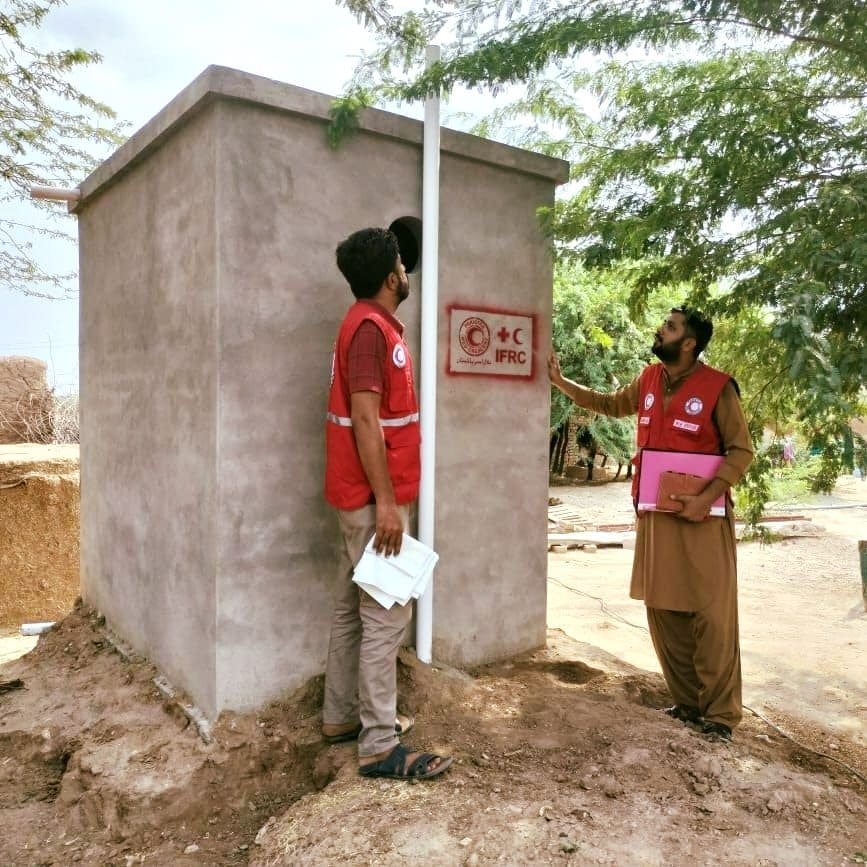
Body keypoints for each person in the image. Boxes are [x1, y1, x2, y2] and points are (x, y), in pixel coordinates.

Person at [548, 308, 754, 740]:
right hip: (655, 515)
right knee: (663, 608)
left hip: (703, 516)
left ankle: (720, 716)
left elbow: (741, 451)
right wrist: (561, 382)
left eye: (671, 327)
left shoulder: (718, 388)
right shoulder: (648, 379)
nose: (661, 330)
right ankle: (689, 704)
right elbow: (608, 404)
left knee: (710, 613)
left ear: (689, 343)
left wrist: (705, 499)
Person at [321, 227, 452, 780]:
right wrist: (388, 504)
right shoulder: (371, 332)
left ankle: (341, 717)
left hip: (359, 496)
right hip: (373, 500)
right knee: (386, 614)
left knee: (352, 608)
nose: (406, 269)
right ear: (389, 276)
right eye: (400, 262)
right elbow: (366, 418)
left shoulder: (366, 326)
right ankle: (378, 744)